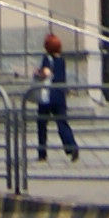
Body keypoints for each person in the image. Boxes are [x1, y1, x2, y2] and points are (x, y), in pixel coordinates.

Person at [34, 29, 79, 161]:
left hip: (47, 96)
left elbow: (46, 73)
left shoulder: (46, 59)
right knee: (62, 123)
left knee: (42, 124)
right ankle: (71, 146)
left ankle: (42, 153)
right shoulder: (62, 60)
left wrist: (37, 73)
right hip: (60, 95)